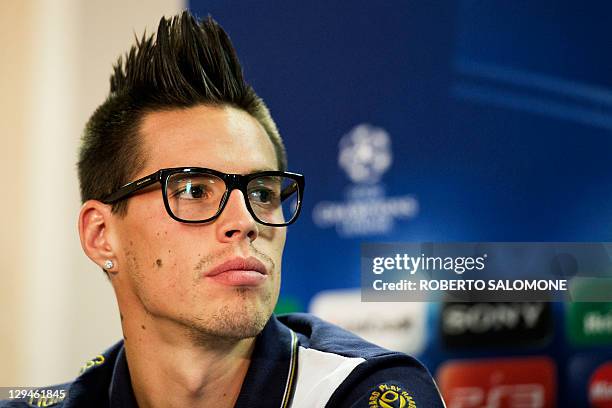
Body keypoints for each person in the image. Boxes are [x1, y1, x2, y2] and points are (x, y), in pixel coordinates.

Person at [1, 11, 445, 408]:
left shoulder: (367, 392)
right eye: (195, 190)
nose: (246, 221)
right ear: (101, 235)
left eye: (263, 193)